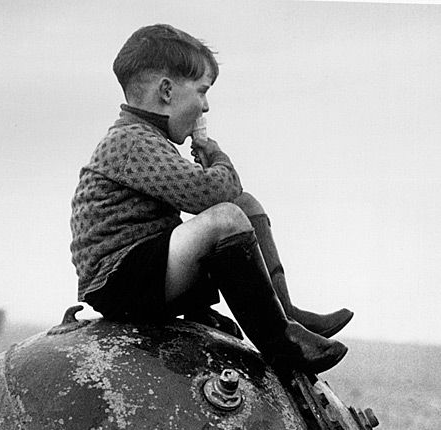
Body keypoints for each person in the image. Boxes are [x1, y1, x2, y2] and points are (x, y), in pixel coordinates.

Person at [70, 24, 353, 373]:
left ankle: (286, 312)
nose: (205, 107)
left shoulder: (146, 137)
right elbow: (213, 194)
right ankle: (282, 345)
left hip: (143, 269)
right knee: (227, 218)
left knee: (245, 206)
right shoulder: (131, 141)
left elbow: (228, 196)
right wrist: (214, 154)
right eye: (202, 91)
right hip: (118, 280)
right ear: (167, 91)